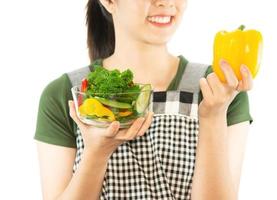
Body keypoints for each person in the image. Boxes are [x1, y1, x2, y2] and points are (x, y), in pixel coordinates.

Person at [34, 0, 254, 199]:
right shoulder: (67, 94)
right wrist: (96, 154)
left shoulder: (220, 90)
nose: (166, 2)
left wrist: (213, 117)